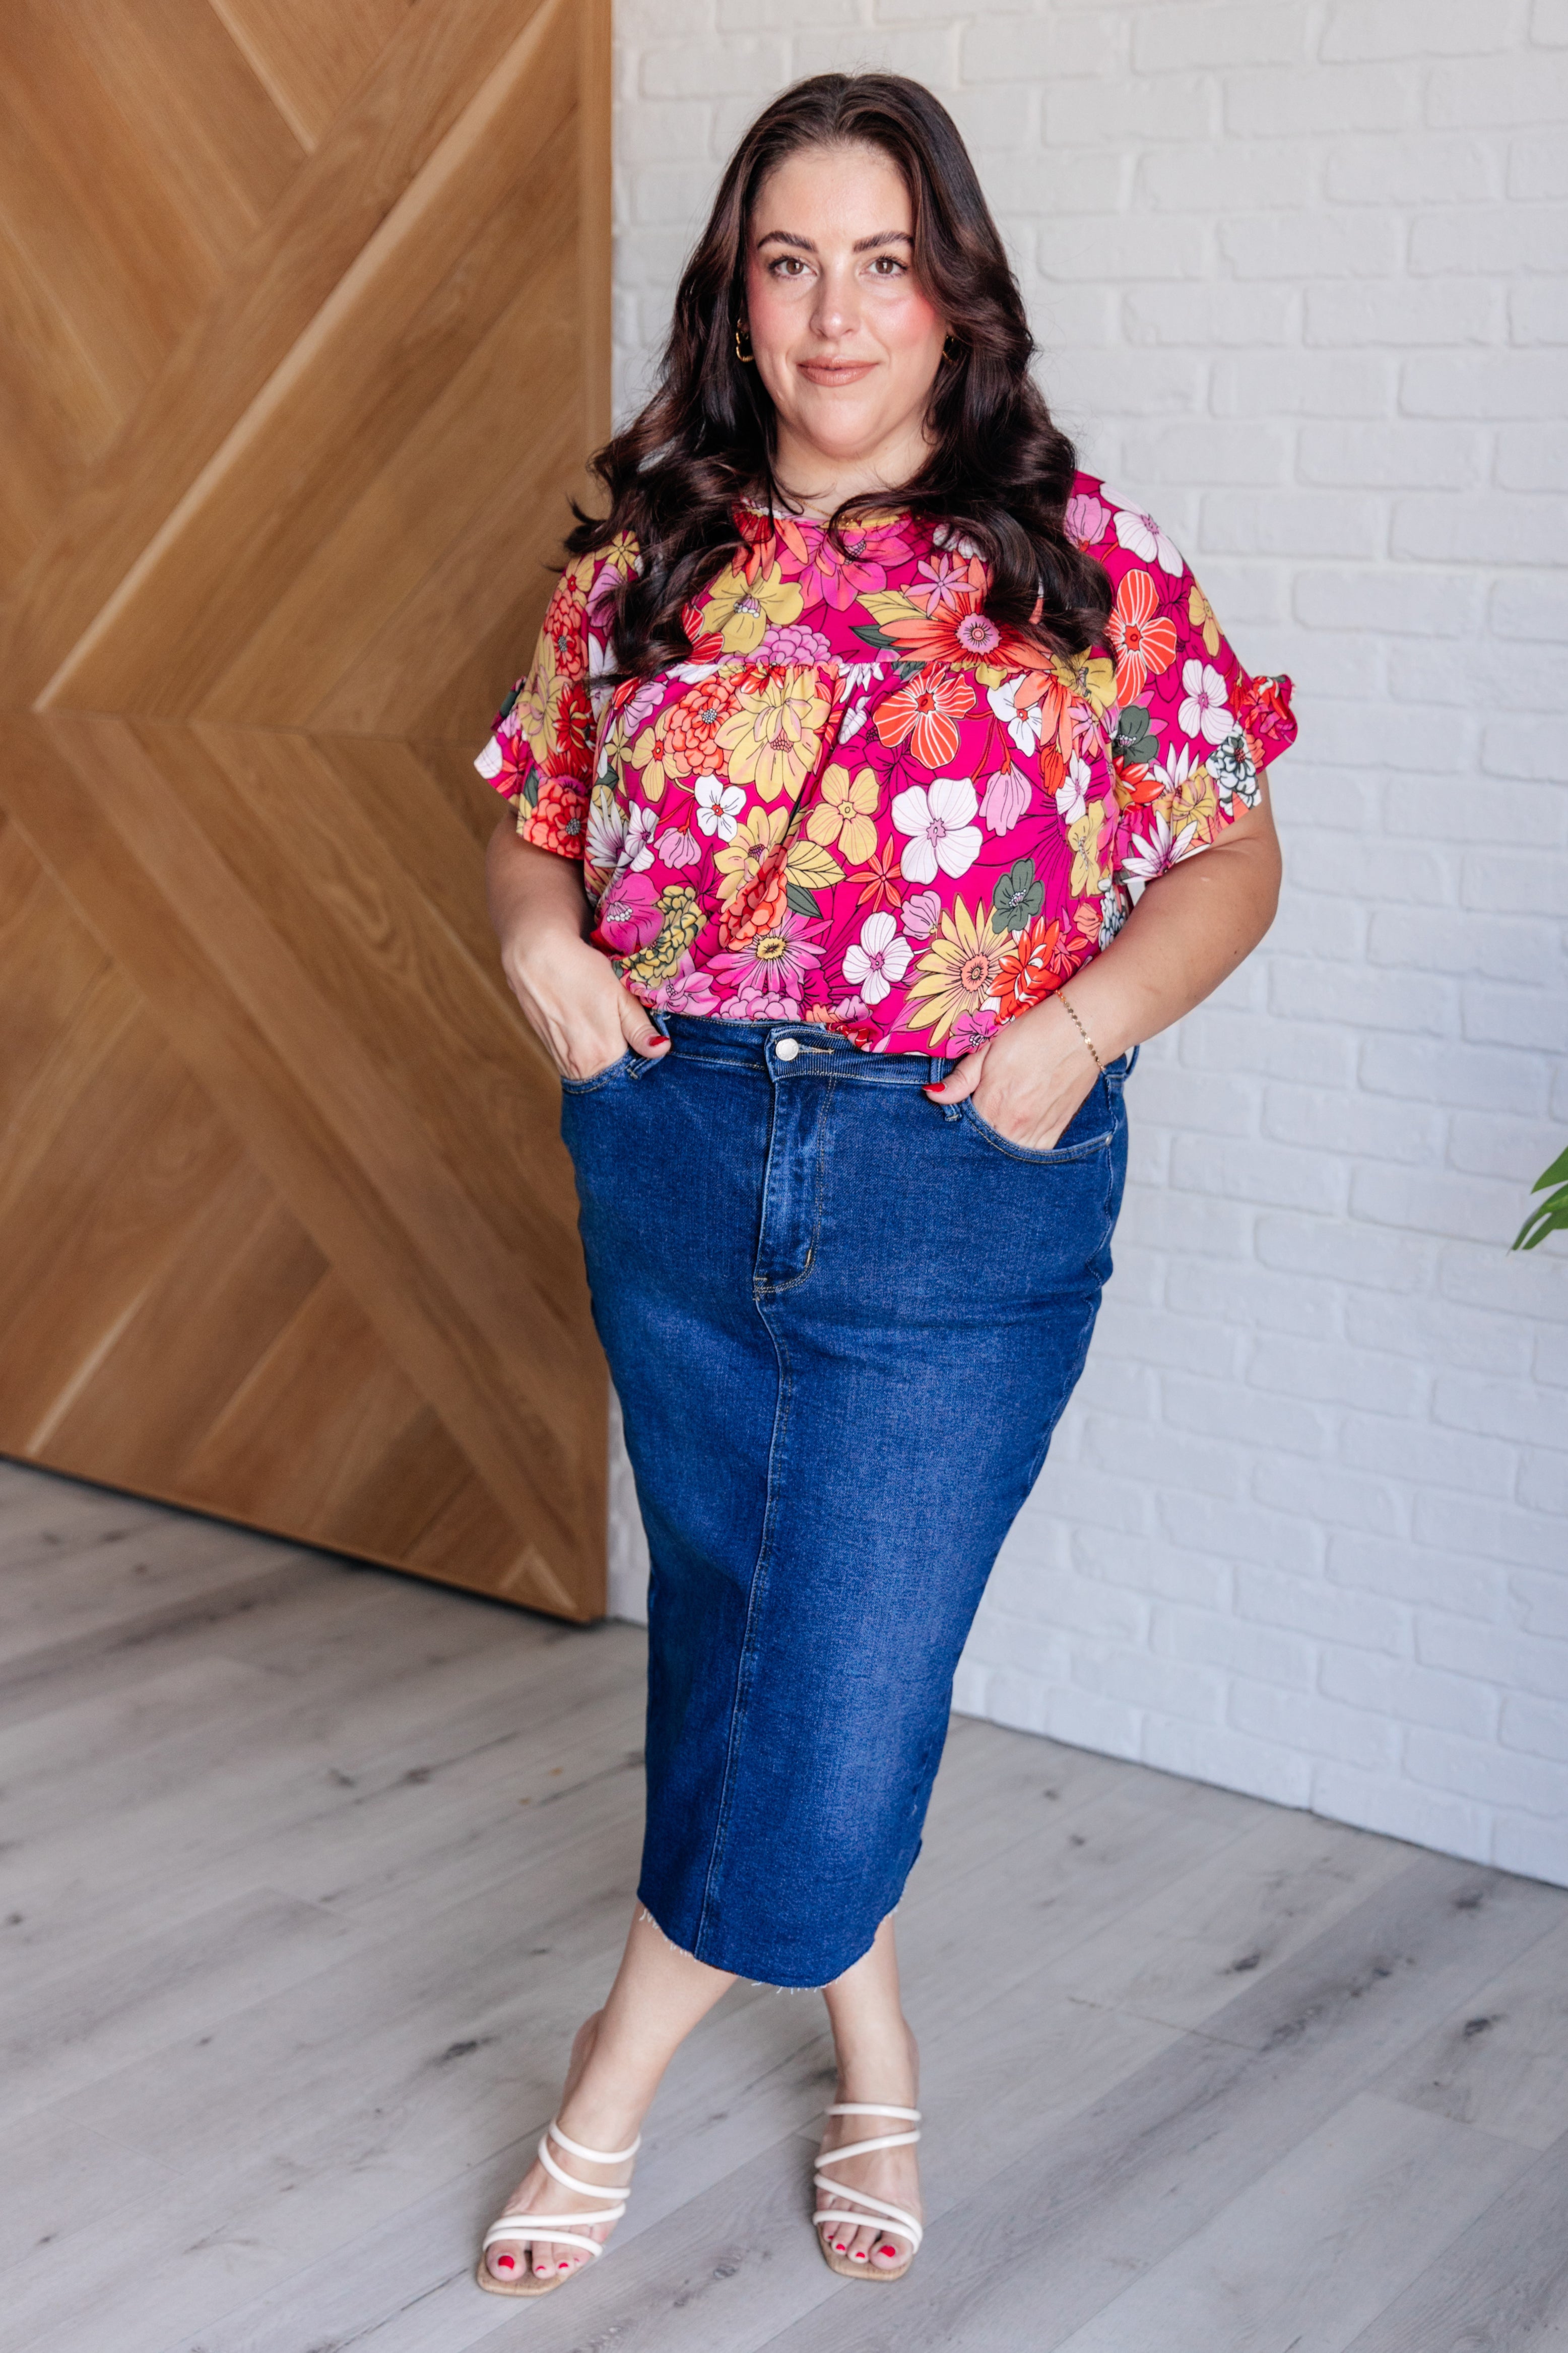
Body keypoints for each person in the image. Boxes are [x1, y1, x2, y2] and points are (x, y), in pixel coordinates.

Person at [473, 72, 1295, 2298]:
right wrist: (544, 940)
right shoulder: (639, 549)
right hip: (669, 1144)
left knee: (842, 1654)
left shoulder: (1076, 561)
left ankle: (608, 2082)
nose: (837, 312)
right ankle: (875, 2038)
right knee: (767, 1630)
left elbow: (1234, 855)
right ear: (734, 296)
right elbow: (532, 811)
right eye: (786, 259)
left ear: (954, 292)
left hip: (959, 1176)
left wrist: (1079, 1026)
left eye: (883, 260)